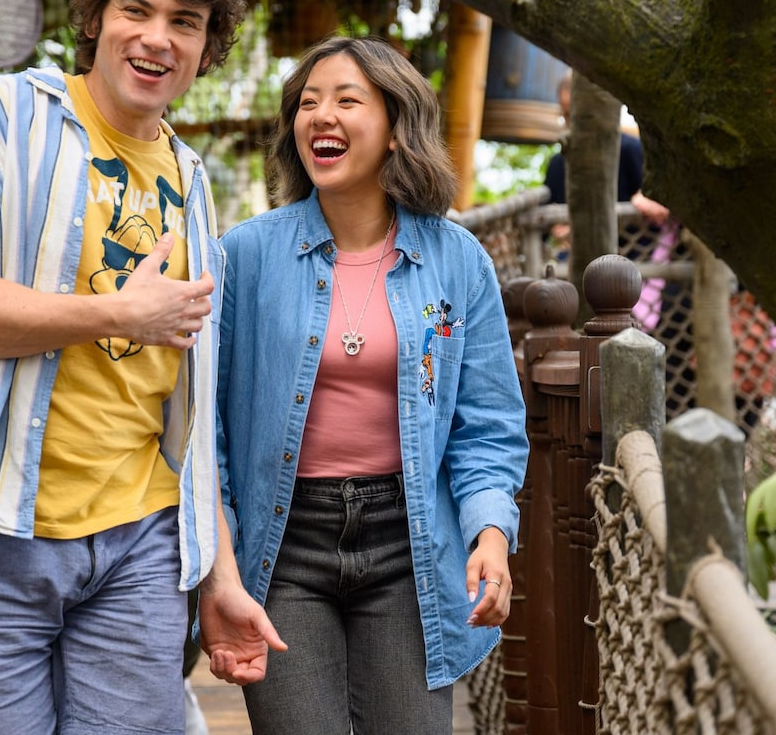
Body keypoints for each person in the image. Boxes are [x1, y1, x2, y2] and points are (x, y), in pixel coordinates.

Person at [0, 0, 248, 735]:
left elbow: (186, 414)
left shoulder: (192, 179)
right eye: (138, 9)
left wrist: (218, 573)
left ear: (206, 45)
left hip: (142, 545)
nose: (157, 38)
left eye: (185, 23)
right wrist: (114, 313)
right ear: (94, 17)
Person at [197, 36, 530, 734]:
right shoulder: (247, 254)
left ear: (395, 127)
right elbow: (209, 431)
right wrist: (218, 563)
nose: (322, 116)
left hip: (410, 542)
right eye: (308, 103)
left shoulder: (456, 258)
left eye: (348, 100)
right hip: (282, 543)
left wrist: (491, 535)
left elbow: (489, 424)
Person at [543, 70, 669, 223]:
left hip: (637, 244)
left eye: (581, 116)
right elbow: (548, 215)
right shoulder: (558, 164)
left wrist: (644, 198)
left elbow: (660, 201)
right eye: (567, 114)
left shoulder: (630, 150)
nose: (574, 123)